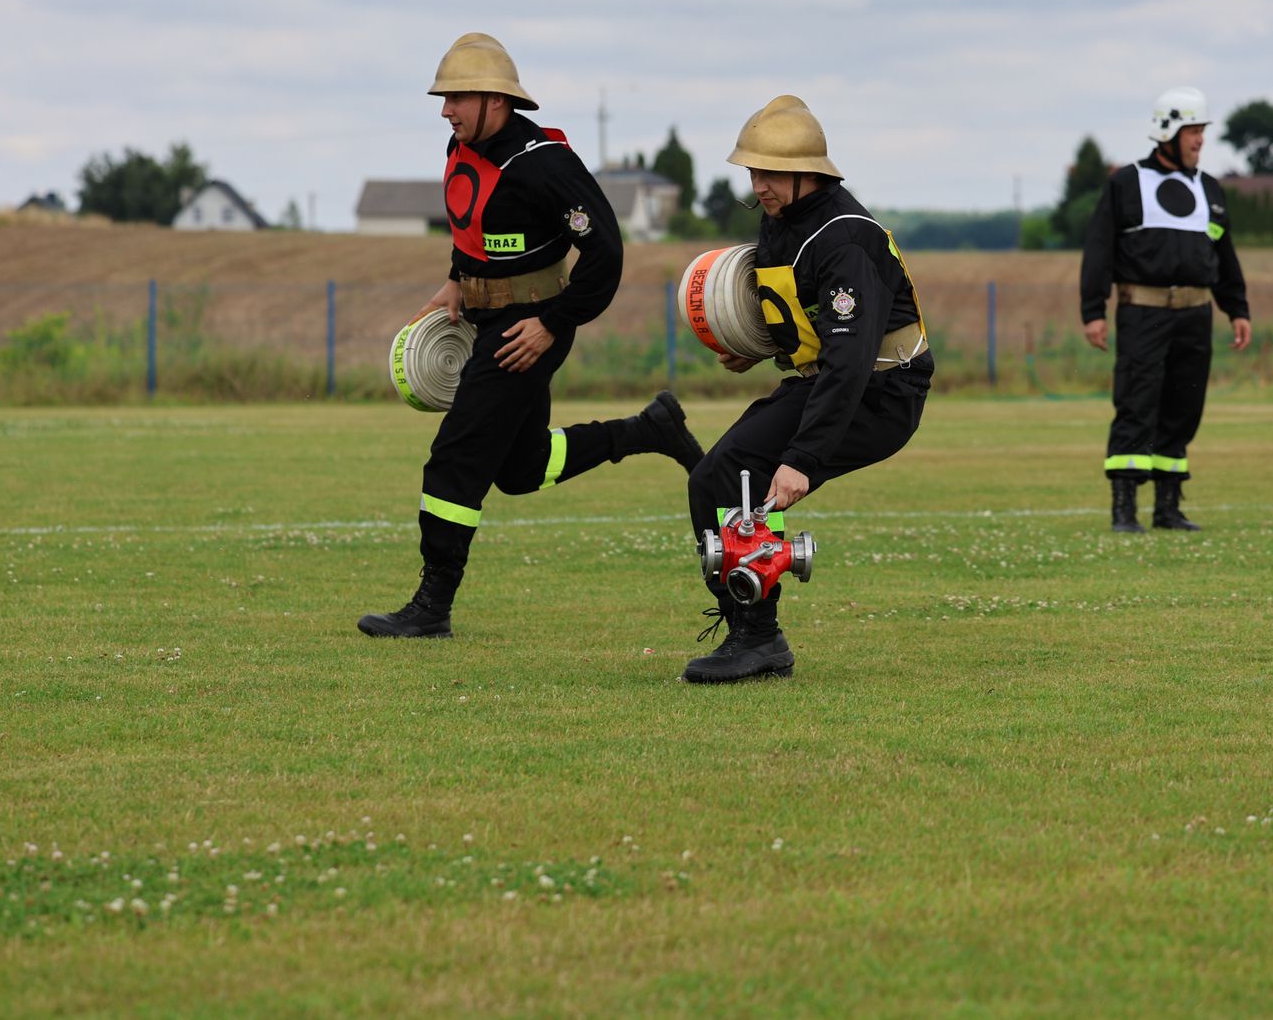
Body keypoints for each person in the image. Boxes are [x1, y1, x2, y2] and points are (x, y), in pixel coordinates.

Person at [359, 33, 704, 639]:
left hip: (529, 328)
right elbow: (474, 228)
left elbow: (606, 254)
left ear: (495, 100)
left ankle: (431, 606)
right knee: (521, 468)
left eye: (456, 98)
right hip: (491, 320)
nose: (445, 110)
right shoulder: (463, 145)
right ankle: (649, 430)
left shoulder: (544, 164)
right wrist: (455, 281)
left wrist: (553, 323)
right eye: (443, 99)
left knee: (454, 459)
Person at [683, 95, 933, 683]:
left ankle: (758, 638)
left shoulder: (845, 238)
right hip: (837, 384)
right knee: (716, 478)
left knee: (732, 474)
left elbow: (850, 361)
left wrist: (803, 459)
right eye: (752, 171)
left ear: (808, 173)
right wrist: (758, 347)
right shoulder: (782, 222)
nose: (758, 184)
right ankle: (753, 634)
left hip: (881, 393)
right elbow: (805, 317)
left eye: (770, 172)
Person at [1079, 86, 1251, 534]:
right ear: (1168, 132)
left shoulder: (1210, 190)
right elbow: (1099, 249)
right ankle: (1124, 509)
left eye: (1202, 131)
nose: (1200, 140)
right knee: (1137, 404)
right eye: (1193, 130)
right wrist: (1093, 310)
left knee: (1184, 406)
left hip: (1195, 315)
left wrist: (1237, 308)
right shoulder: (1126, 183)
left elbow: (1224, 255)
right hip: (1143, 313)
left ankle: (1168, 508)